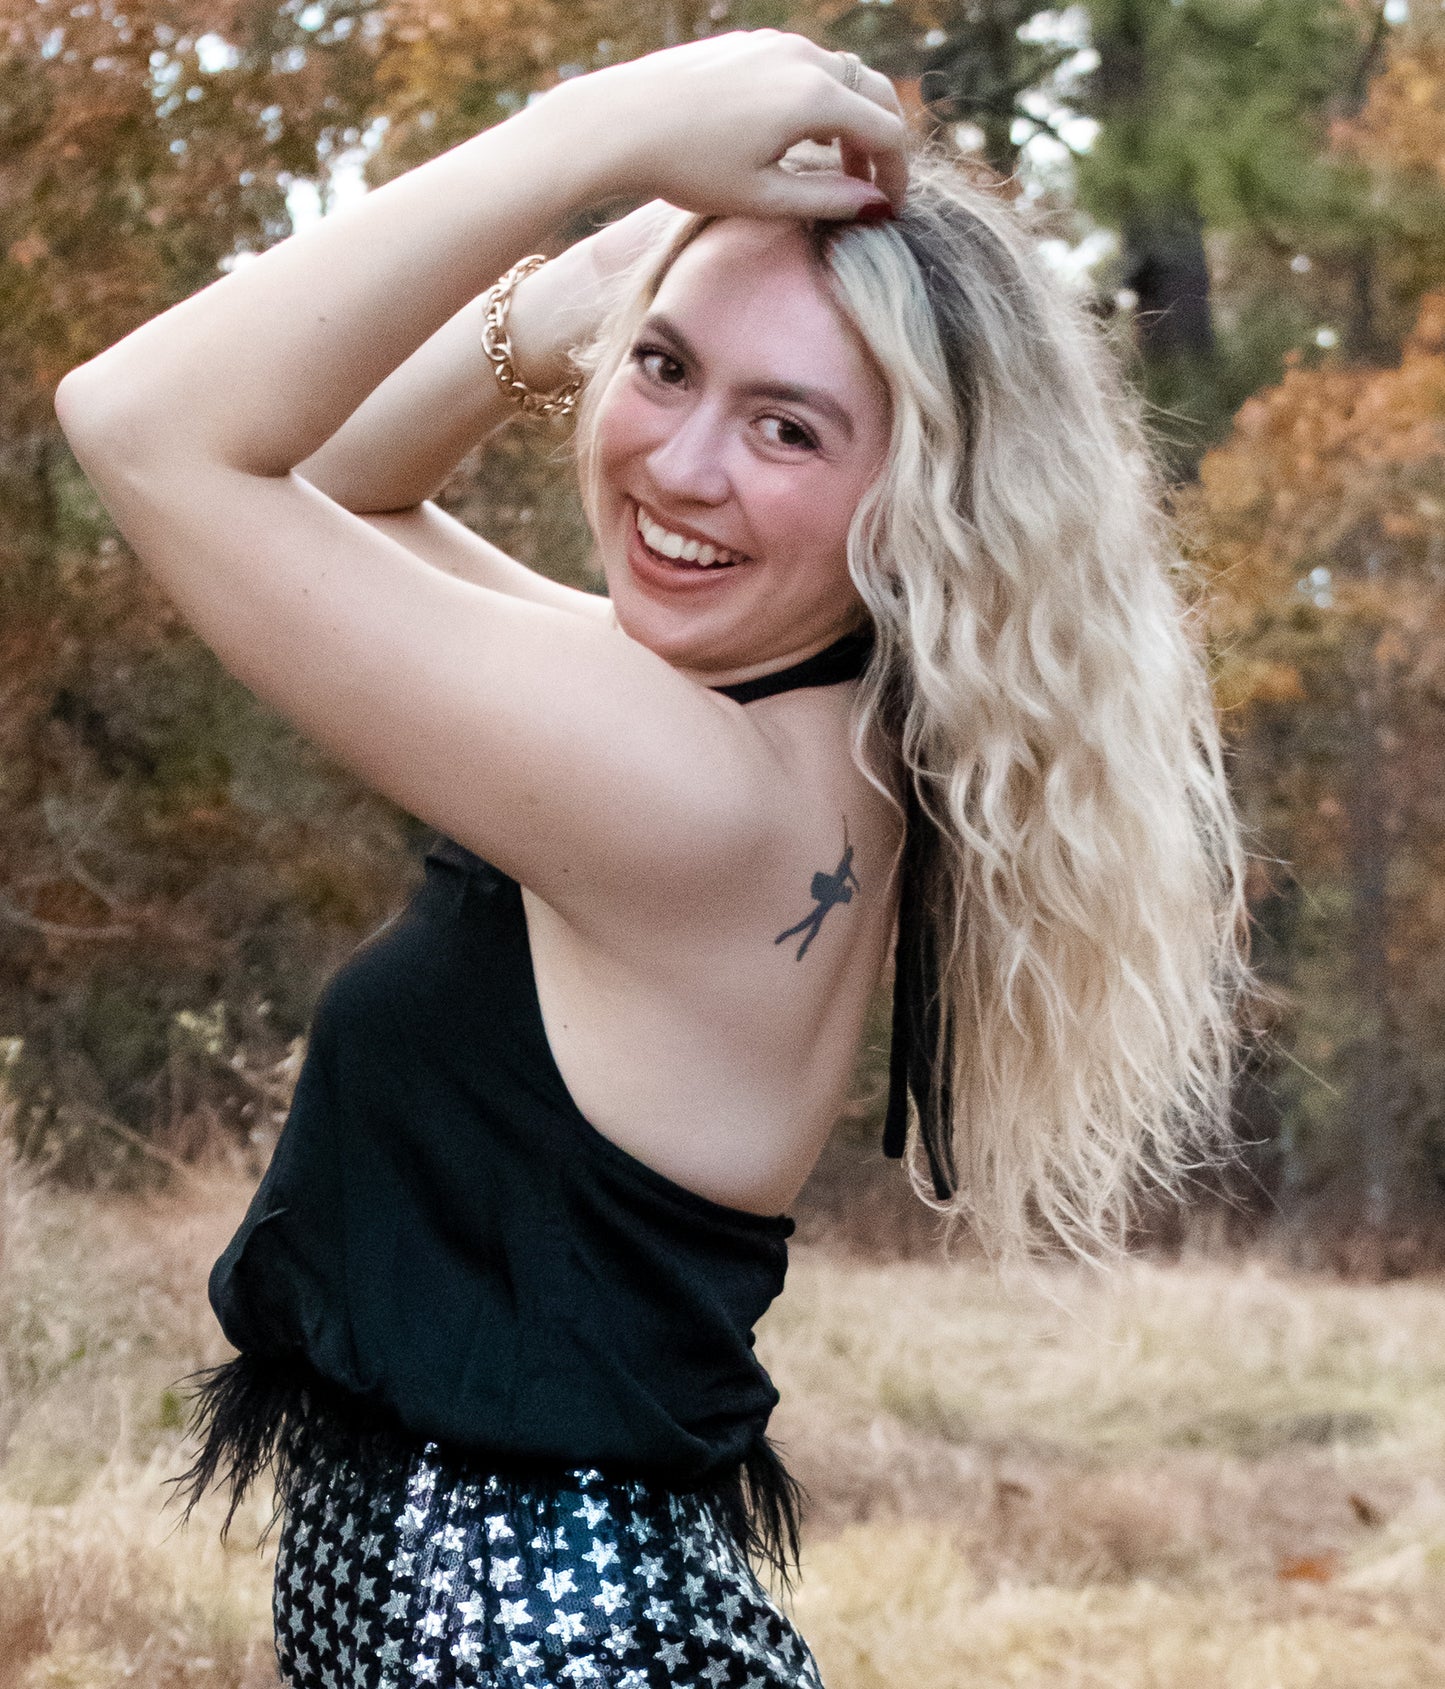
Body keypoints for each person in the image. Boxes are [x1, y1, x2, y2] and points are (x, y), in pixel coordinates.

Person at [53, 28, 1257, 1689]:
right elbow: (331, 496)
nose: (680, 469)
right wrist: (554, 317)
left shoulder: (685, 792)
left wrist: (592, 133)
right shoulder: (790, 735)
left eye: (786, 429)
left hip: (530, 1636)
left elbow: (142, 424)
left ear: (913, 502)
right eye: (667, 369)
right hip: (569, 1620)